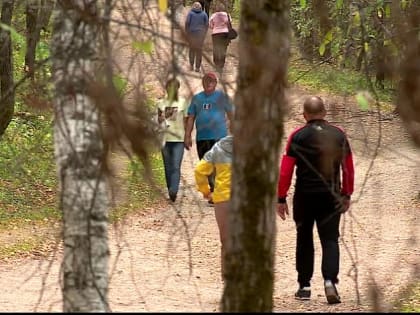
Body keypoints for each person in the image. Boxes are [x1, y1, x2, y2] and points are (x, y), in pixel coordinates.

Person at [276, 96, 355, 304]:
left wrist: (281, 197)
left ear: (304, 115)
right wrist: (347, 193)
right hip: (331, 195)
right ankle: (330, 281)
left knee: (304, 238)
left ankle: (304, 286)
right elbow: (348, 167)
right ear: (325, 113)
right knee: (330, 239)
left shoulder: (297, 136)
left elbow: (285, 171)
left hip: (304, 196)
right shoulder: (339, 135)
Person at [184, 72, 233, 203]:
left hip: (220, 137)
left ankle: (217, 192)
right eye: (206, 81)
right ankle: (213, 189)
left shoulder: (222, 97)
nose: (208, 83)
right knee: (206, 165)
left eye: (211, 81)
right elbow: (191, 118)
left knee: (219, 164)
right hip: (202, 138)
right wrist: (187, 135)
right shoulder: (197, 99)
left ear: (215, 83)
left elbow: (231, 114)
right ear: (203, 82)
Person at [194, 134, 232, 278]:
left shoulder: (218, 148)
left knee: (226, 240)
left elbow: (199, 170)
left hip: (223, 199)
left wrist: (206, 192)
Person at [156, 78, 188, 202]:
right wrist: (162, 117)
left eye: (175, 87)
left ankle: (174, 190)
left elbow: (186, 121)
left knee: (175, 165)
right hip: (164, 138)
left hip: (178, 139)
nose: (172, 89)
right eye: (170, 86)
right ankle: (170, 190)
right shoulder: (160, 103)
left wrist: (187, 137)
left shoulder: (183, 102)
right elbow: (158, 121)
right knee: (167, 166)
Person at [185, 2, 208, 72]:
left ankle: (191, 66)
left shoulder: (190, 13)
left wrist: (187, 32)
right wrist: (204, 33)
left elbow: (187, 23)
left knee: (192, 50)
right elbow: (206, 24)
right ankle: (197, 67)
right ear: (201, 7)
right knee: (199, 51)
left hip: (191, 34)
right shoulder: (204, 14)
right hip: (200, 35)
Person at [209, 3, 230, 74]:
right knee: (223, 49)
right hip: (225, 34)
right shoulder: (227, 15)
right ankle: (221, 65)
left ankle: (216, 64)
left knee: (216, 49)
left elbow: (211, 25)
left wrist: (215, 27)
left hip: (216, 34)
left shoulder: (213, 16)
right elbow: (229, 23)